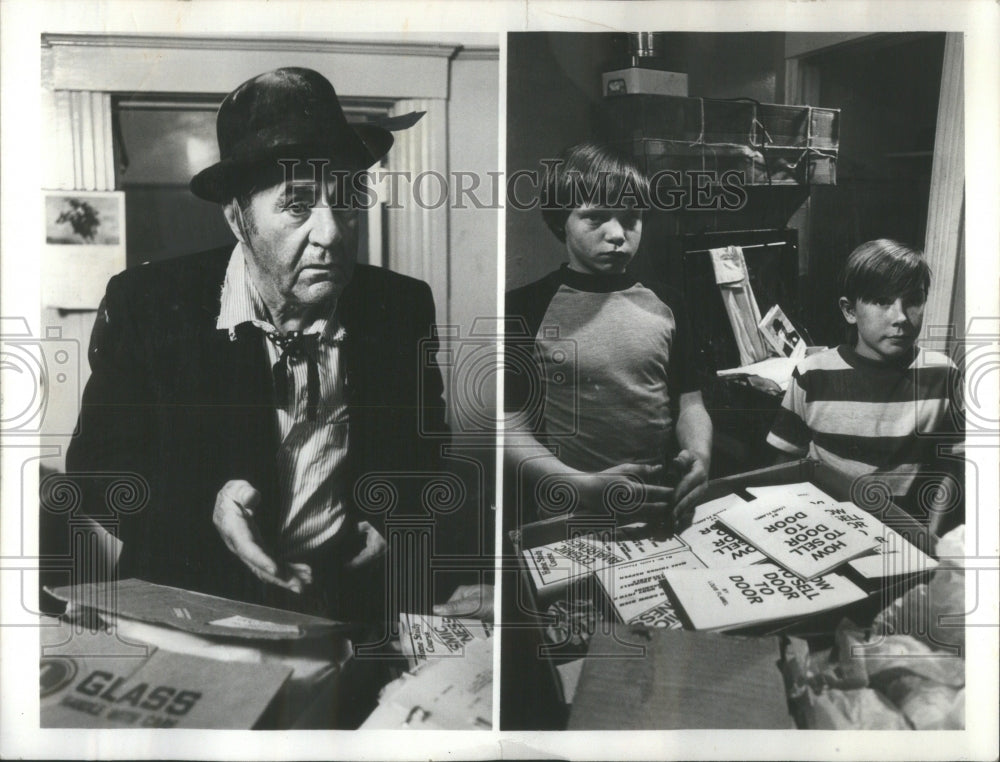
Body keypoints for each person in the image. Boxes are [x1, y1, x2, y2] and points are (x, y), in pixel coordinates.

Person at [64, 67, 483, 623]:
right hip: (196, 600)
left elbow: (419, 447)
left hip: (348, 597)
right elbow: (97, 472)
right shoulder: (147, 302)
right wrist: (201, 512)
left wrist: (393, 517)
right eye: (297, 205)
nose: (332, 233)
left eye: (348, 199)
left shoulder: (401, 306)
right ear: (238, 217)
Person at [504, 142, 713, 532]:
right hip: (570, 513)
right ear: (559, 220)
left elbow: (690, 403)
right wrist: (583, 486)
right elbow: (509, 428)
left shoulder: (668, 302)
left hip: (659, 507)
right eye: (595, 217)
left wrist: (700, 453)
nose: (617, 233)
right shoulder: (524, 307)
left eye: (631, 218)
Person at [766, 239, 963, 533]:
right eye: (882, 301)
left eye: (913, 300)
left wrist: (930, 538)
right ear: (849, 311)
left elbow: (953, 466)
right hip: (823, 530)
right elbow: (785, 465)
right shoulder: (812, 374)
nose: (900, 317)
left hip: (905, 539)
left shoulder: (942, 375)